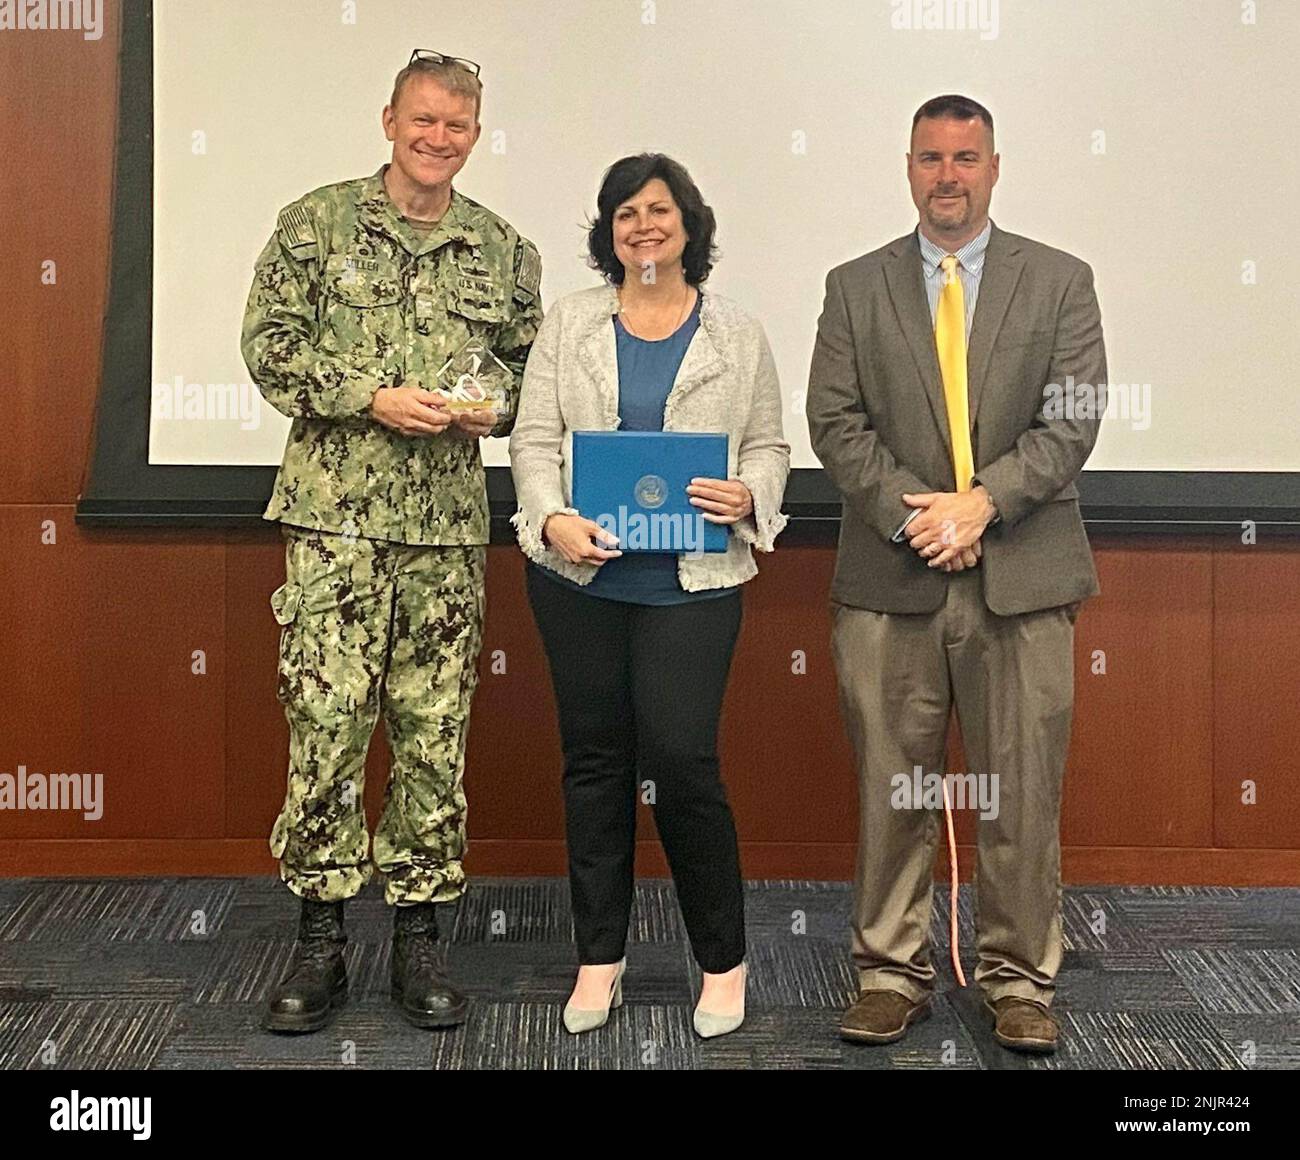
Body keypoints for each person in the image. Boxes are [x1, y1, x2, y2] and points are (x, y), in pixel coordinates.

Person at [241, 51, 542, 1033]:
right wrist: (368, 396)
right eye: (422, 119)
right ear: (389, 119)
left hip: (445, 535)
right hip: (334, 527)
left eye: (456, 124)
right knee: (324, 732)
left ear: (474, 132)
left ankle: (420, 938)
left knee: (431, 739)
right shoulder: (314, 224)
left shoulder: (502, 250)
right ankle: (319, 939)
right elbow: (269, 349)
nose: (437, 137)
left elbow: (527, 380)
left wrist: (481, 407)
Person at [807, 95, 1106, 1054]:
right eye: (932, 157)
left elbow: (1074, 416)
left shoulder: (1061, 280)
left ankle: (1020, 982)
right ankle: (891, 975)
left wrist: (983, 504)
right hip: (892, 581)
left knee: (1021, 793)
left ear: (994, 166)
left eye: (966, 157)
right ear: (908, 167)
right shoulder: (854, 286)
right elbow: (835, 424)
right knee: (893, 788)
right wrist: (920, 515)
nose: (949, 174)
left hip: (1023, 576)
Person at [509, 154, 789, 1038]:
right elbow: (533, 440)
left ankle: (722, 963)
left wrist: (751, 495)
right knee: (594, 765)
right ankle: (600, 959)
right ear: (609, 231)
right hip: (580, 581)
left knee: (682, 764)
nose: (644, 227)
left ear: (689, 224)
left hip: (693, 586)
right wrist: (550, 519)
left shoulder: (737, 333)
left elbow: (771, 447)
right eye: (626, 213)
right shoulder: (571, 323)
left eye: (659, 211)